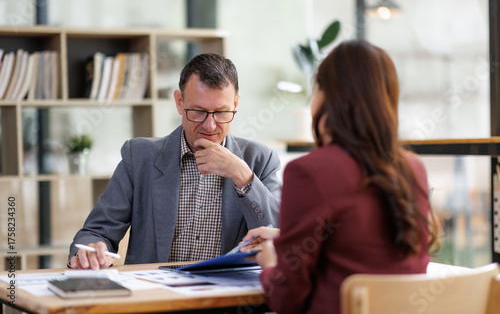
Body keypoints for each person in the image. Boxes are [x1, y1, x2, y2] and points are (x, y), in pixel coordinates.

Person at [241, 40, 439, 314]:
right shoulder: (411, 168)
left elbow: (287, 298)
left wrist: (273, 263)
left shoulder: (310, 171)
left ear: (324, 96)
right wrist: (288, 238)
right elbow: (365, 243)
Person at [68, 53, 281, 270]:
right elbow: (95, 232)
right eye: (198, 111)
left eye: (221, 112)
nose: (210, 125)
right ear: (180, 102)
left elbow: (283, 237)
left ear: (235, 104)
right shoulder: (139, 157)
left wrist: (243, 177)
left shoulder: (260, 160)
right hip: (158, 299)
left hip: (229, 300)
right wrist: (89, 251)